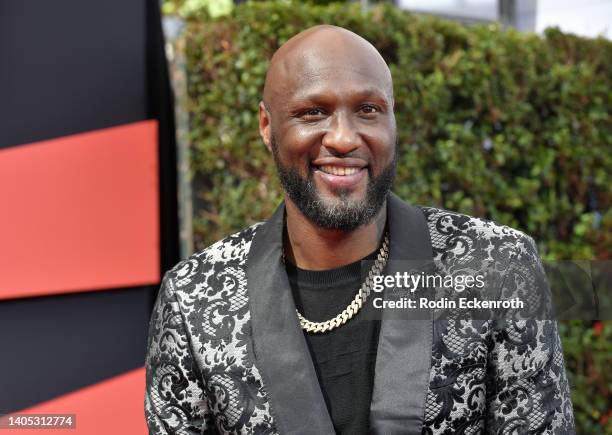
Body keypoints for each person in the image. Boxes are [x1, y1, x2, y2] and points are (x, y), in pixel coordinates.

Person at [145, 25, 574, 434]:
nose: (345, 138)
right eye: (313, 112)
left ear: (392, 120)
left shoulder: (497, 267)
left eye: (368, 110)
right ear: (266, 126)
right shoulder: (195, 298)